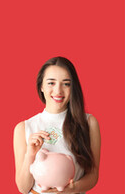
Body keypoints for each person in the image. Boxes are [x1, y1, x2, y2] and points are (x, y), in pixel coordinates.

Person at [13, 57, 101, 194]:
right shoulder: (24, 128)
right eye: (51, 83)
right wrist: (30, 154)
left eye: (66, 84)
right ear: (41, 86)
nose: (58, 91)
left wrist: (72, 189)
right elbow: (23, 188)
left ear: (73, 87)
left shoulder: (88, 123)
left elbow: (93, 176)